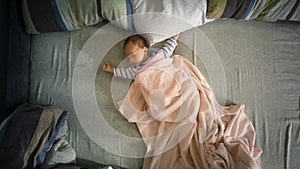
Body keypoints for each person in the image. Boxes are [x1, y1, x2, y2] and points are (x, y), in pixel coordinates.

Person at [102, 34, 179, 80]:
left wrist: (173, 39)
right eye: (128, 58)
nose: (131, 60)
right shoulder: (135, 70)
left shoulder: (157, 56)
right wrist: (111, 70)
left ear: (144, 50)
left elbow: (167, 50)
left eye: (133, 55)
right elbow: (124, 73)